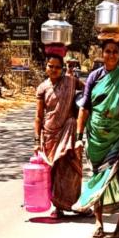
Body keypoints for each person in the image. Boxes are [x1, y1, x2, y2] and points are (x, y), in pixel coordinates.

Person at [72, 38, 119, 238]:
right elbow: (84, 109)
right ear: (102, 54)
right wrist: (79, 137)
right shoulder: (94, 78)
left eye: (115, 52)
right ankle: (98, 223)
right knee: (98, 179)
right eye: (108, 51)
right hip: (96, 138)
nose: (111, 55)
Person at [34, 53, 85, 218]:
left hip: (68, 131)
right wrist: (36, 139)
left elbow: (87, 88)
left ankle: (77, 204)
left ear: (62, 69)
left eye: (57, 67)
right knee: (54, 171)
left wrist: (79, 110)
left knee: (71, 171)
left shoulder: (70, 82)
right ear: (46, 67)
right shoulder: (42, 88)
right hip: (49, 133)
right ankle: (58, 207)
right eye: (51, 66)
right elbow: (38, 116)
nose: (54, 70)